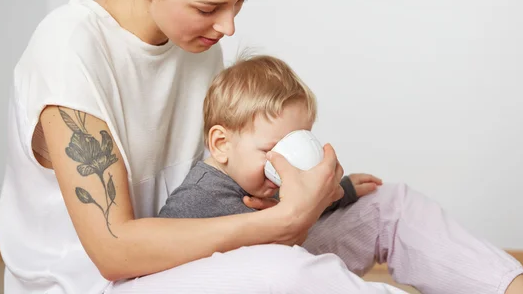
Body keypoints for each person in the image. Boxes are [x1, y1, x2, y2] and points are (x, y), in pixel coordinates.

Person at [0, 0, 523, 293]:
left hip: (190, 258)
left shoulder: (197, 45)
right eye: (208, 6)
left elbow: (210, 187)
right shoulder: (69, 50)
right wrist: (278, 225)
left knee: (391, 207)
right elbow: (114, 251)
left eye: (240, 2)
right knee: (283, 274)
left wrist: (308, 196)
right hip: (105, 284)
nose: (228, 27)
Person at [157, 54, 380, 220]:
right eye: (269, 151)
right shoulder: (197, 198)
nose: (285, 164)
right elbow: (163, 246)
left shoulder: (263, 181)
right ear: (222, 144)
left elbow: (299, 203)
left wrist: (342, 191)